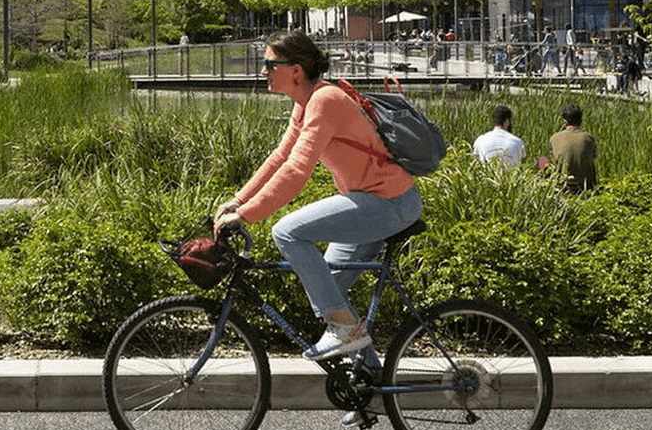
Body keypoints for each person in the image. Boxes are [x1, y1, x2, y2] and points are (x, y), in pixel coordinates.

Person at [212, 31, 423, 362]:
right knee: (329, 291)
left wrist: (246, 215)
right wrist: (238, 200)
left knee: (287, 232)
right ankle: (369, 378)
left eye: (270, 64)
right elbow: (280, 158)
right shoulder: (305, 104)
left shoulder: (325, 101)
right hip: (373, 201)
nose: (263, 71)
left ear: (296, 71)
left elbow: (297, 171)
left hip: (389, 202)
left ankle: (346, 330)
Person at [549, 105, 597, 192]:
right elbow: (594, 157)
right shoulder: (588, 138)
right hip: (584, 187)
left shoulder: (554, 138)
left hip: (562, 187)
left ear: (565, 122)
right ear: (580, 121)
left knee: (542, 161)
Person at [473, 105, 526, 169]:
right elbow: (522, 163)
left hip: (486, 174)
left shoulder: (480, 141)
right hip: (511, 174)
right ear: (507, 121)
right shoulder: (517, 142)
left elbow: (476, 163)